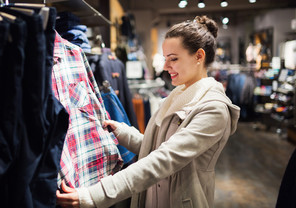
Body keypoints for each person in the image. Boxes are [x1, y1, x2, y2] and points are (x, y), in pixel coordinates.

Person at [56, 15, 240, 208]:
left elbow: (164, 159)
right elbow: (157, 147)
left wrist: (96, 195)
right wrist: (123, 132)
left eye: (173, 59)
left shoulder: (214, 109)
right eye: (165, 59)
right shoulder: (176, 95)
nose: (165, 67)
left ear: (199, 56)